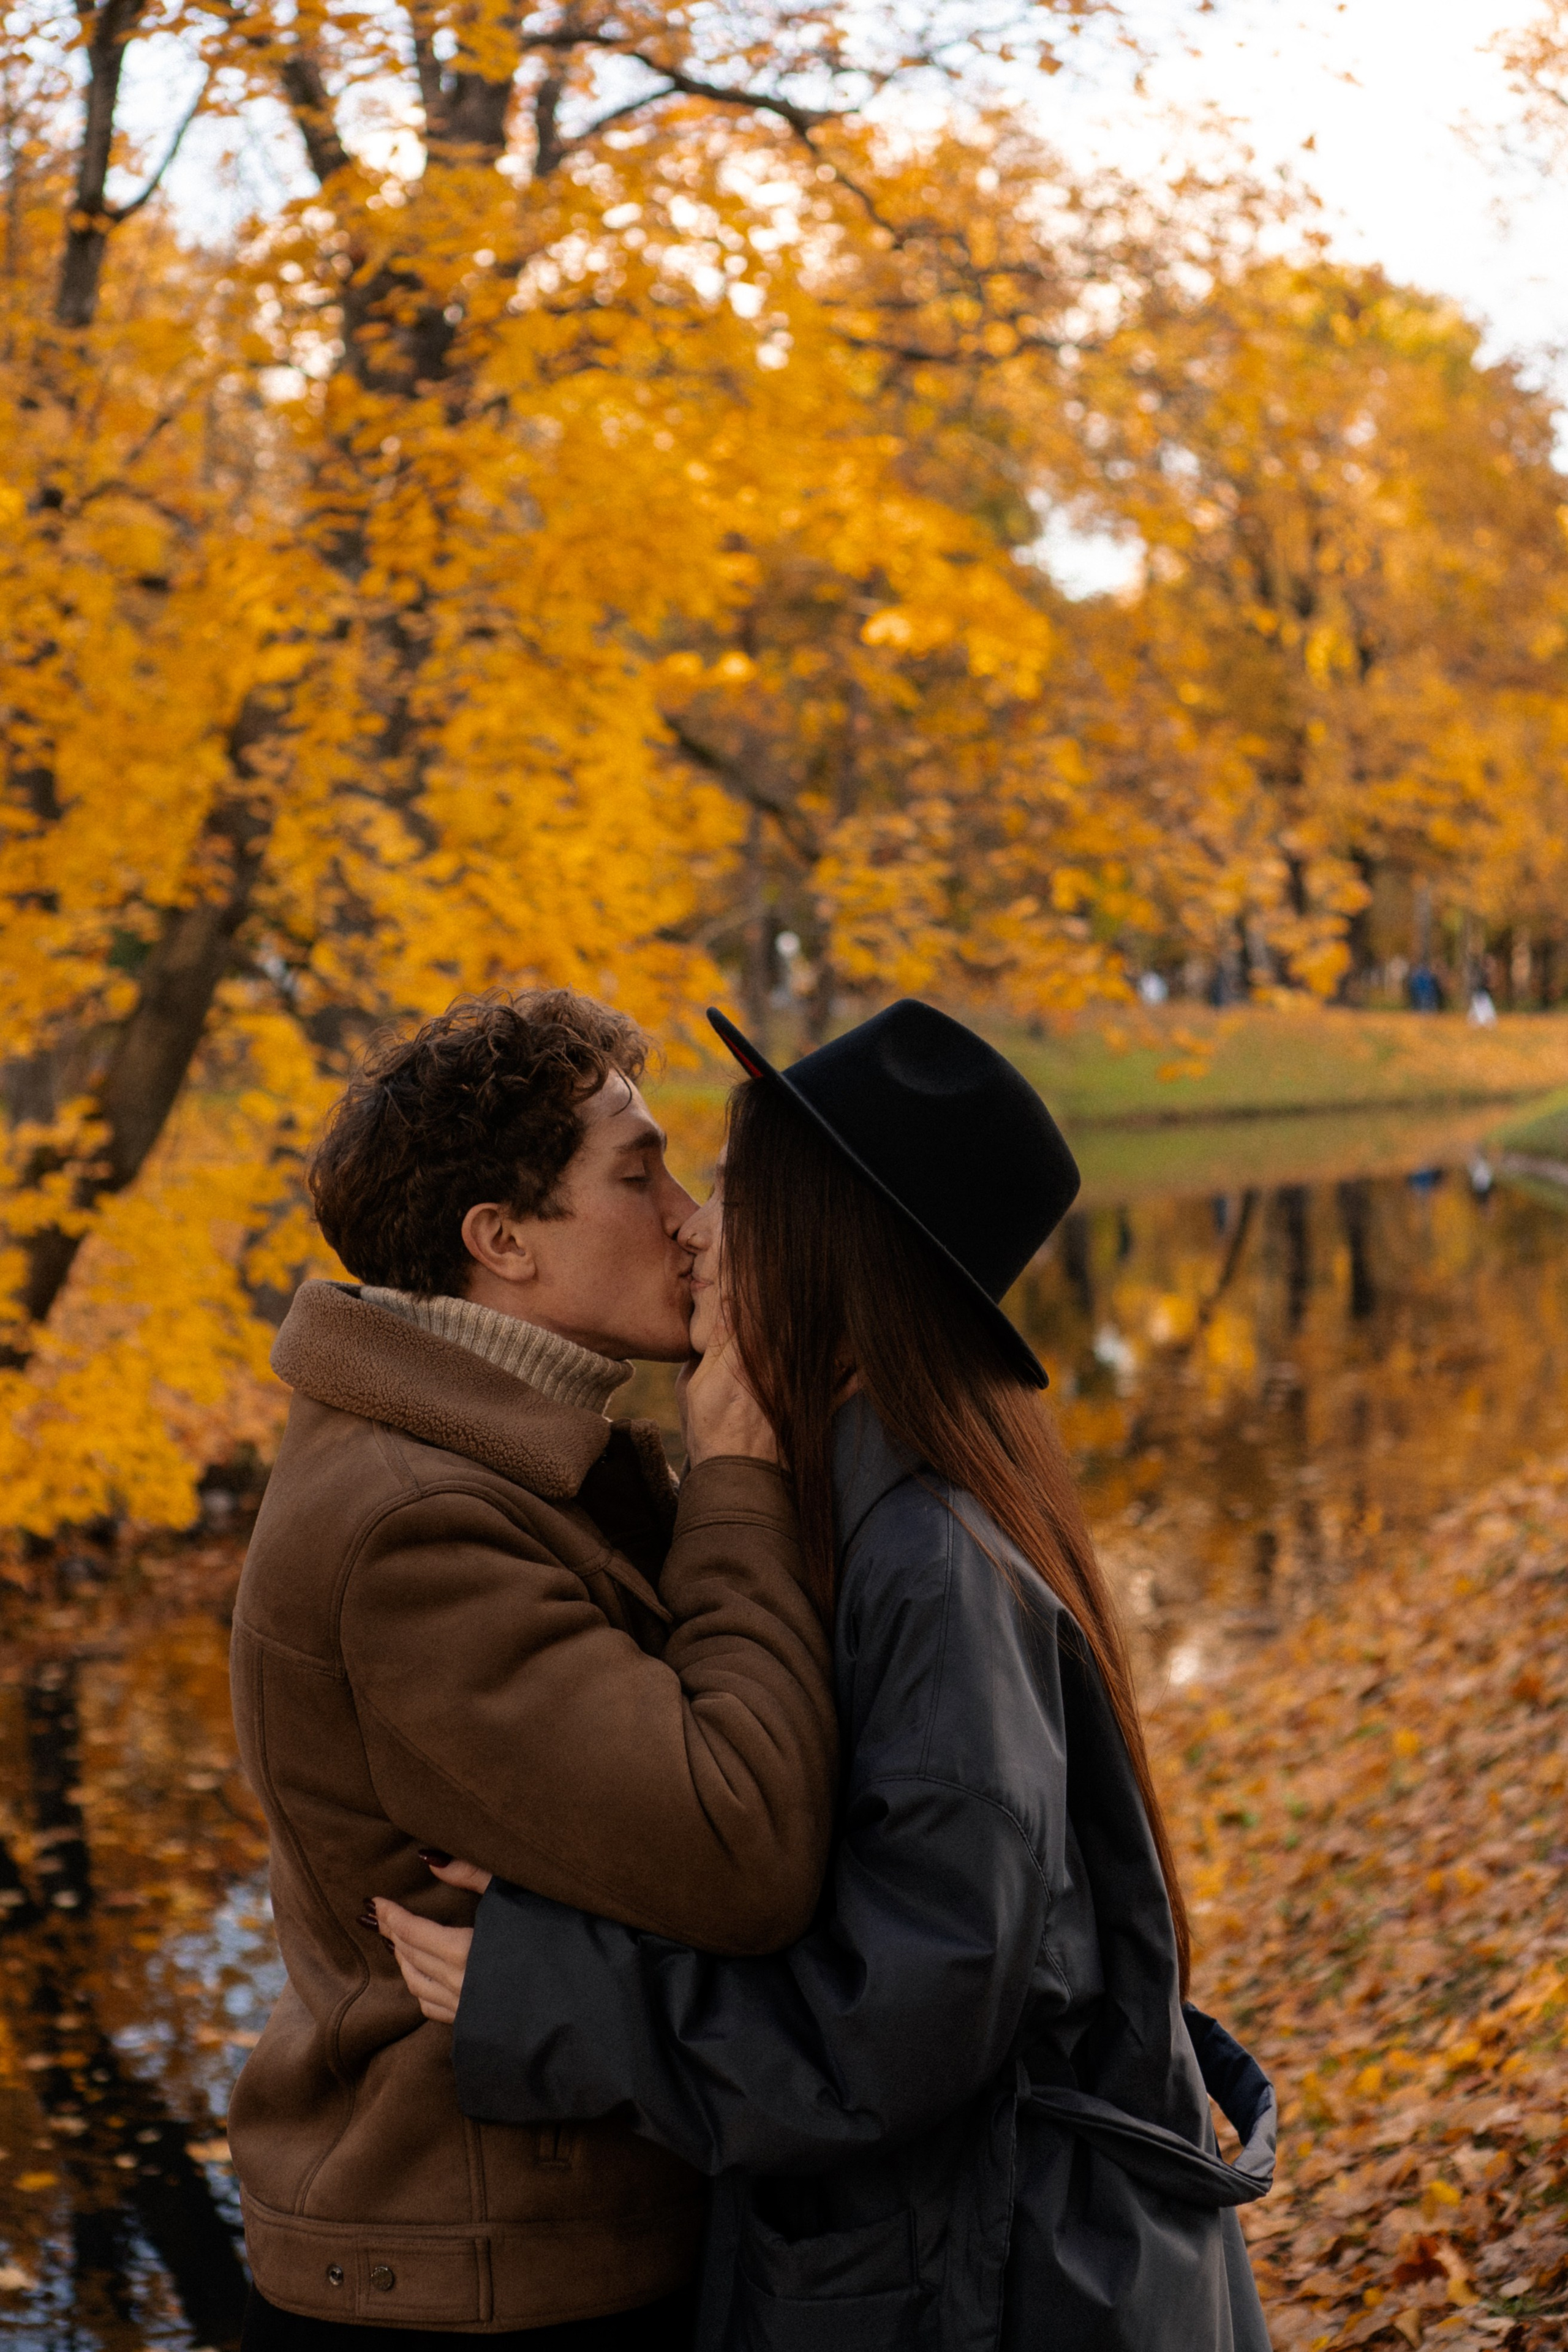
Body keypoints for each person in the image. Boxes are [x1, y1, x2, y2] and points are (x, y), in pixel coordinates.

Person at [374, 1000, 1275, 2352]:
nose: (686, 1224)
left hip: (998, 2289)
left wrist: (556, 1989)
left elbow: (902, 2020)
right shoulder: (869, 1507)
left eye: (727, 1190)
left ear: (820, 1239)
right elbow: (866, 1901)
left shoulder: (923, 1559)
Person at [228, 990, 837, 2348]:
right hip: (475, 2275)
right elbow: (741, 1844)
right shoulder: (413, 1525)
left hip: (543, 2236)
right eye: (638, 1173)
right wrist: (736, 1468)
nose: (687, 1218)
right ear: (499, 1243)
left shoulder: (513, 1461)